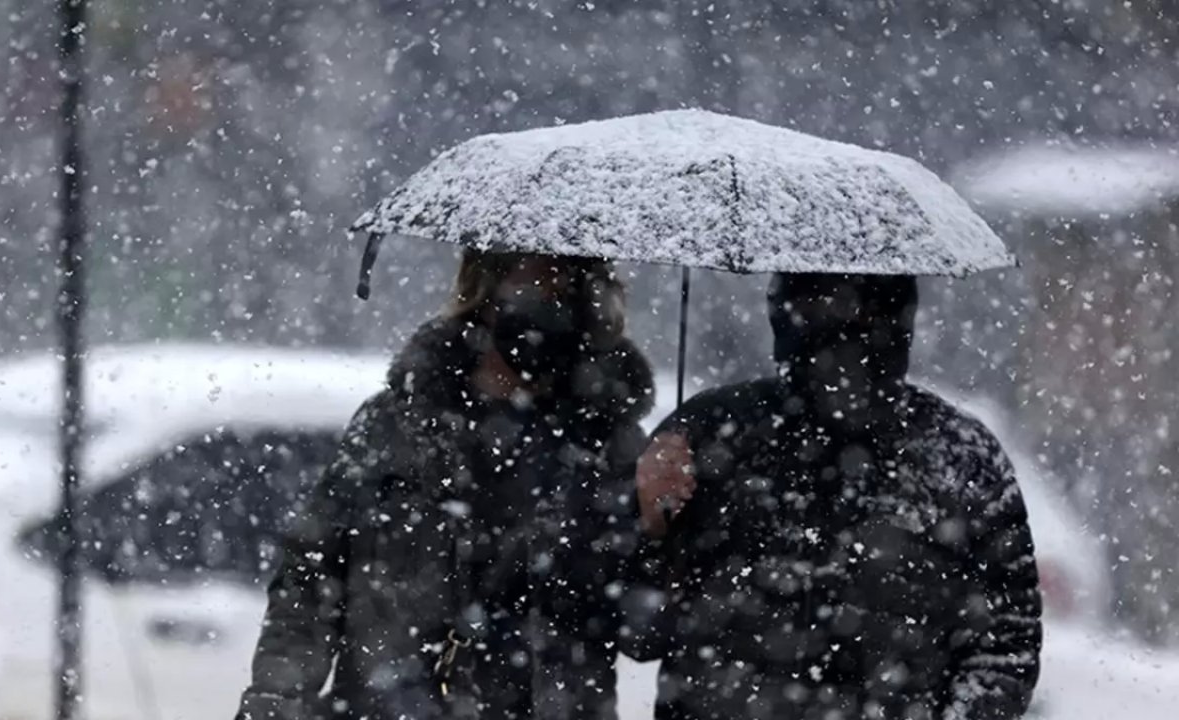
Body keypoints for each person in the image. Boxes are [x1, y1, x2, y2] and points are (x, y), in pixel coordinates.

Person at [236, 250, 654, 720]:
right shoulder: (396, 426)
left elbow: (645, 631)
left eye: (571, 292)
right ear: (484, 291)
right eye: (538, 286)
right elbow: (310, 582)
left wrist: (659, 527)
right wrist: (274, 703)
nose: (554, 309)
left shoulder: (610, 449)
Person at [625, 273, 1042, 720]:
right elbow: (636, 632)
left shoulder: (960, 458)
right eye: (817, 306)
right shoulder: (710, 436)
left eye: (868, 311)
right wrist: (647, 521)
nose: (843, 330)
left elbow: (1006, 643)